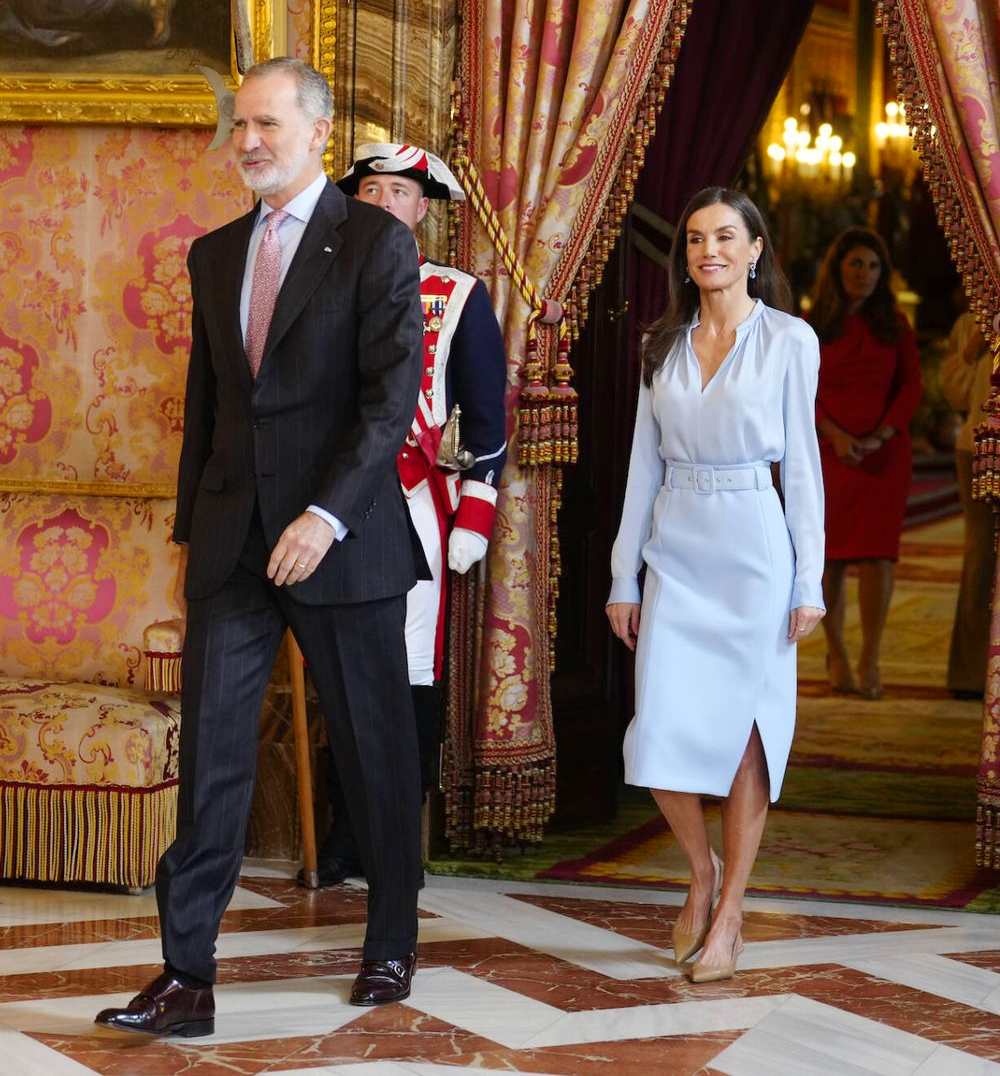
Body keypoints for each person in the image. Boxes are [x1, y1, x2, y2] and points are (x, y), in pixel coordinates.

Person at [94, 58, 426, 1036]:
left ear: (318, 131)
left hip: (343, 540)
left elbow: (387, 400)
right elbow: (209, 409)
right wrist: (195, 534)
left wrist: (323, 516)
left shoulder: (375, 243)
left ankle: (391, 938)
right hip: (237, 548)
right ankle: (185, 974)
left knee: (373, 750)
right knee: (213, 758)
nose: (248, 141)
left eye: (268, 124)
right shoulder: (213, 253)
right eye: (239, 124)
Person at [606, 187, 825, 984]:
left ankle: (730, 909)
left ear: (756, 249)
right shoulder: (660, 342)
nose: (710, 251)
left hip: (756, 549)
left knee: (747, 741)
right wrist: (622, 574)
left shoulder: (790, 341)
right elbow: (641, 465)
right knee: (658, 731)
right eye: (697, 238)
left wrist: (811, 580)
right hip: (678, 544)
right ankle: (699, 874)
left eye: (726, 237)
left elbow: (802, 466)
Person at [295, 144, 508, 888]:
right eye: (371, 191)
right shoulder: (314, 282)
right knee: (339, 674)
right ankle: (340, 839)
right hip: (327, 509)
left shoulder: (458, 294)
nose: (384, 203)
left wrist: (476, 516)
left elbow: (487, 420)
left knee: (405, 675)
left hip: (414, 510)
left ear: (423, 209)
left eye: (398, 193)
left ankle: (388, 846)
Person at [811, 228, 922, 699]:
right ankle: (835, 650)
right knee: (828, 560)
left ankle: (870, 655)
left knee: (878, 558)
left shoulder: (895, 325)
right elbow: (796, 390)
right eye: (857, 264)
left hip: (884, 456)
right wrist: (835, 436)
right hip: (826, 453)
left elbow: (911, 385)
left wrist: (883, 433)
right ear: (838, 269)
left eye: (874, 266)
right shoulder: (811, 325)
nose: (865, 274)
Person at [940, 307, 994, 698]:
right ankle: (971, 673)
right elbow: (954, 392)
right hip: (978, 449)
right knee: (982, 559)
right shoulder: (973, 318)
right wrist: (975, 348)